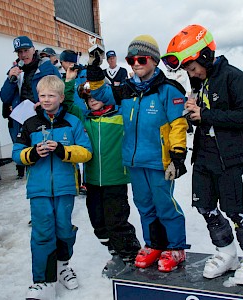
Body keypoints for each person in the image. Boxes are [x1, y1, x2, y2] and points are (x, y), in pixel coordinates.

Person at [162, 24, 243, 285]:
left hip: (229, 156)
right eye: (187, 70)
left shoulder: (234, 77)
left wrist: (205, 114)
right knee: (204, 205)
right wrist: (194, 114)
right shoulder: (201, 82)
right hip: (205, 154)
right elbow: (203, 116)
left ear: (205, 55)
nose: (191, 73)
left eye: (193, 67)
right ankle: (226, 252)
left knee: (233, 207)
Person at [87, 35, 190, 272]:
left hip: (159, 161)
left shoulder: (168, 90)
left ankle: (176, 247)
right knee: (143, 204)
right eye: (131, 59)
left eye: (141, 59)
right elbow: (102, 96)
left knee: (164, 203)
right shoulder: (127, 90)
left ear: (154, 60)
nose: (135, 64)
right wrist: (94, 71)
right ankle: (153, 244)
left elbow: (177, 125)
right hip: (134, 161)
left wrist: (177, 155)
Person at [12, 75, 92, 299]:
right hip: (38, 189)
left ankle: (62, 265)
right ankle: (42, 281)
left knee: (64, 229)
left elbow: (86, 151)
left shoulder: (72, 122)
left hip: (65, 187)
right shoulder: (29, 123)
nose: (46, 100)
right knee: (42, 233)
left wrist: (63, 151)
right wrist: (32, 153)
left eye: (51, 95)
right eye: (42, 95)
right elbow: (16, 154)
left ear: (60, 97)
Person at [63, 70, 140, 278]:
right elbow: (68, 104)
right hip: (92, 182)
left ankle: (131, 255)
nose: (93, 100)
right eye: (89, 97)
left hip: (115, 179)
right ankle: (115, 252)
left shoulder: (119, 116)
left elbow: (132, 105)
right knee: (98, 222)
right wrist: (69, 81)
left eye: (97, 95)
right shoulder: (84, 120)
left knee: (117, 221)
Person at [0, 35, 61, 179]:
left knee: (50, 154)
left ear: (33, 49)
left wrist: (46, 103)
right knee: (32, 157)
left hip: (46, 116)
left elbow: (60, 90)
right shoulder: (16, 71)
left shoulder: (47, 68)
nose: (23, 55)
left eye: (26, 50)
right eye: (19, 52)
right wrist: (10, 79)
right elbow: (5, 97)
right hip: (25, 120)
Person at [59, 49, 88, 195]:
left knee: (85, 149)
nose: (70, 64)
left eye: (72, 61)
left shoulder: (84, 74)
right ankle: (77, 182)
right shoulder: (63, 78)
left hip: (84, 115)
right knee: (73, 149)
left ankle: (85, 181)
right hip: (71, 115)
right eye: (67, 62)